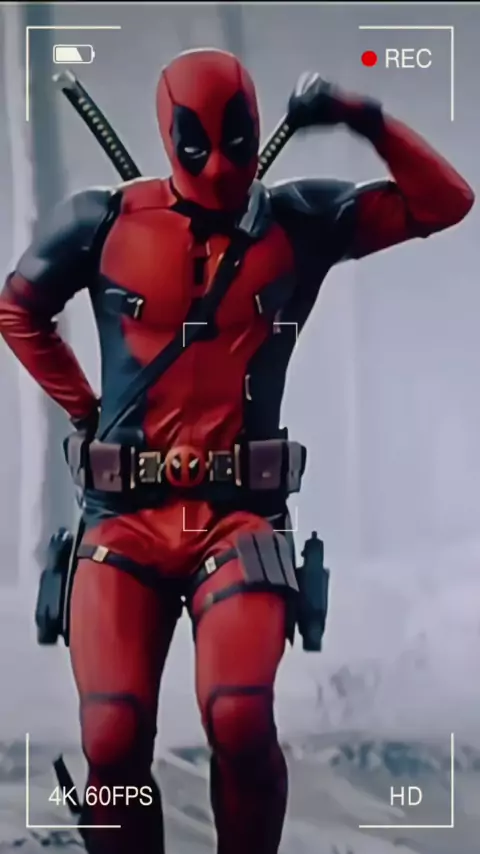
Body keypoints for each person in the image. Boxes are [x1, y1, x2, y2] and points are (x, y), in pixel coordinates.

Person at [0, 48, 473, 854]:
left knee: (240, 715)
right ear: (170, 137)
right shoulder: (104, 224)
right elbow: (19, 310)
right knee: (112, 736)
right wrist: (85, 413)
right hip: (122, 523)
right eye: (199, 145)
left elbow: (445, 201)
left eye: (237, 142)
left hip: (241, 523)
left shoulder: (296, 223)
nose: (220, 166)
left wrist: (359, 115)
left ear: (257, 131)